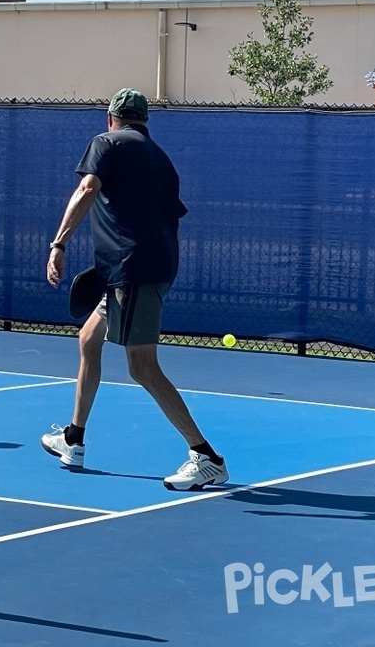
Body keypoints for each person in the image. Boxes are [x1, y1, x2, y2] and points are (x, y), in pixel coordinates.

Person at [42, 88, 229, 491]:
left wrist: (58, 244)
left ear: (111, 118)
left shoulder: (105, 143)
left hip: (134, 271)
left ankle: (206, 457)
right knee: (89, 339)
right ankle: (73, 438)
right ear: (145, 120)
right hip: (135, 269)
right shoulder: (162, 160)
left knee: (141, 365)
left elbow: (88, 189)